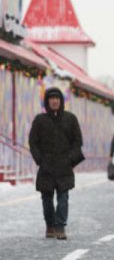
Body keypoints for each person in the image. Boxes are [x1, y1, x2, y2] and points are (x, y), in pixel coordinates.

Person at [29, 87, 83, 240]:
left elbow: (78, 141)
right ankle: (50, 225)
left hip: (64, 166)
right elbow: (33, 142)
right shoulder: (40, 120)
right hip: (46, 167)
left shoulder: (70, 119)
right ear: (47, 102)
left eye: (57, 98)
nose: (54, 101)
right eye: (51, 98)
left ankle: (60, 226)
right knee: (46, 199)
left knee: (63, 197)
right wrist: (40, 160)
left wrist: (70, 159)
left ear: (61, 101)